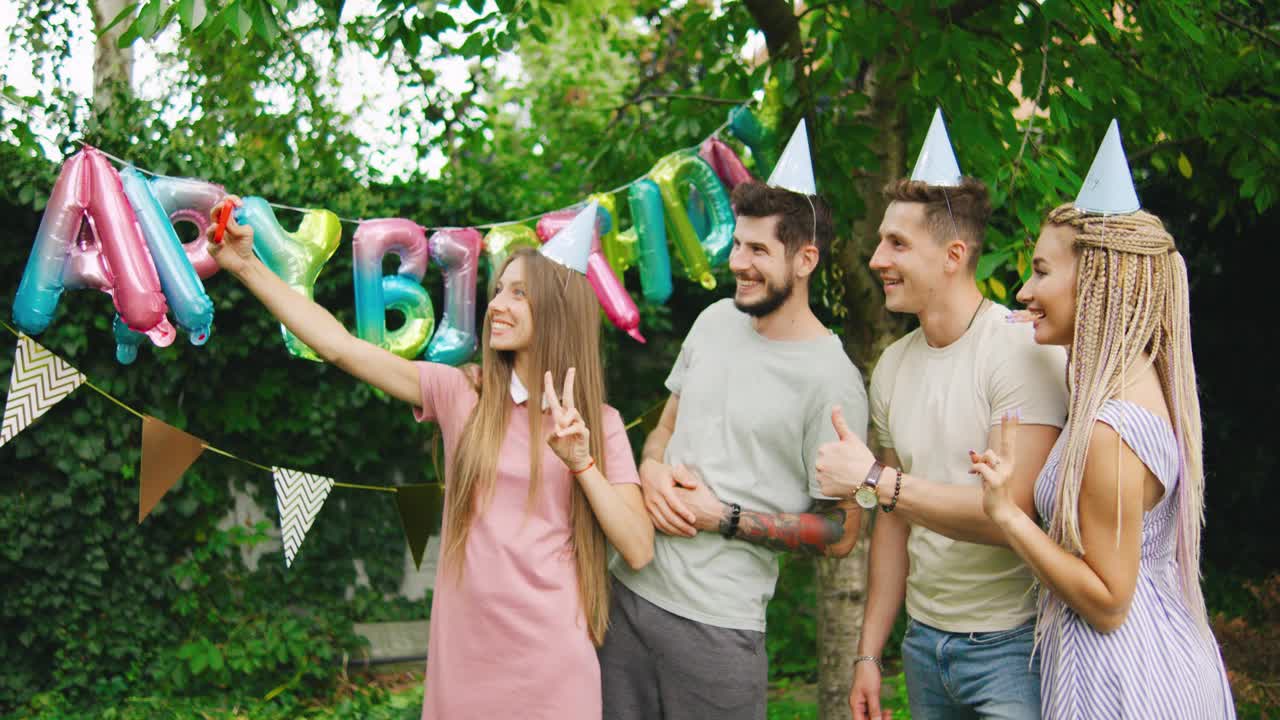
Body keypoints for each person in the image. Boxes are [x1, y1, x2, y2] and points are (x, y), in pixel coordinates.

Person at [206, 198, 653, 720]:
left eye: (519, 293)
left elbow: (638, 548)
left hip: (553, 659)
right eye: (498, 291)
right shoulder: (460, 392)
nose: (497, 305)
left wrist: (583, 463)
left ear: (558, 311)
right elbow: (340, 347)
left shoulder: (600, 423)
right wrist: (246, 266)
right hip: (466, 655)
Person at [600, 121, 871, 720]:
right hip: (627, 594)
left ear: (805, 260)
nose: (736, 262)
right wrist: (649, 471)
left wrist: (721, 518)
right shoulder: (714, 321)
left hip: (717, 627)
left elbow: (843, 532)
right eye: (737, 244)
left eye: (756, 250)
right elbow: (664, 431)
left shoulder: (832, 381)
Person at [972, 120, 1235, 718]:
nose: (1023, 290)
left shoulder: (1110, 432)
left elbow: (1109, 600)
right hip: (1154, 660)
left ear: (1094, 280)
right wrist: (1044, 330)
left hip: (1127, 682)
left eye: (1041, 271)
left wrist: (1008, 517)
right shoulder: (1139, 380)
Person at [815, 109, 1067, 720]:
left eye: (897, 243)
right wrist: (869, 654)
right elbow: (894, 523)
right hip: (924, 646)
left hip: (1014, 647)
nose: (876, 258)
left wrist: (874, 480)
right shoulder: (893, 366)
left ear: (954, 255)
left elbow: (1011, 513)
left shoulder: (1019, 350)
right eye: (880, 240)